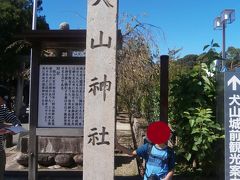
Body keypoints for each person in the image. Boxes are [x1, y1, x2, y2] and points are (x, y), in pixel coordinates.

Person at [0, 85, 21, 180]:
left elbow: (13, 119)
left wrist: (16, 127)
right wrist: (4, 127)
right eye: (3, 100)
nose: (3, 103)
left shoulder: (2, 107)